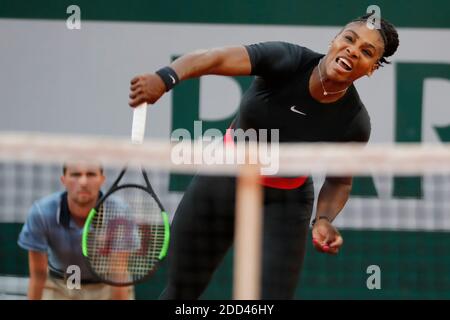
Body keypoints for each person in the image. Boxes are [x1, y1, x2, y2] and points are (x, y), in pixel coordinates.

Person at [128, 13, 399, 299]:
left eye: (367, 52)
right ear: (334, 40)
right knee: (182, 292)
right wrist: (166, 77)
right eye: (349, 39)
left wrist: (323, 219)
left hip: (285, 202)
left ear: (371, 69)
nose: (353, 51)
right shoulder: (287, 60)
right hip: (222, 181)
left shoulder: (354, 122)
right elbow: (214, 58)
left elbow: (340, 181)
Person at [17, 160, 134, 300]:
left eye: (91, 174)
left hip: (105, 286)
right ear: (63, 180)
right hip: (58, 285)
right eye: (75, 174)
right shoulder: (41, 213)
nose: (83, 182)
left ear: (102, 180)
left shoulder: (119, 213)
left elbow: (118, 277)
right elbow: (38, 275)